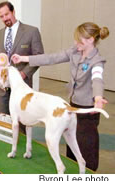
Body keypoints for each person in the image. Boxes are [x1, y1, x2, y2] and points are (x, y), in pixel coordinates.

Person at [11, 22, 109, 171]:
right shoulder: (75, 51)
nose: (75, 43)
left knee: (86, 150)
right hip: (72, 105)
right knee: (71, 149)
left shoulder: (97, 61)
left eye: (79, 40)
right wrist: (24, 59)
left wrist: (97, 98)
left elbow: (97, 80)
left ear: (90, 40)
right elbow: (51, 58)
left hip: (88, 111)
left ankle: (88, 175)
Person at [0, 1, 44, 118]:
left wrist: (24, 73)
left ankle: (22, 136)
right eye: (1, 16)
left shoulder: (31, 32)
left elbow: (38, 57)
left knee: (22, 120)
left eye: (7, 14)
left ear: (13, 11)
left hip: (22, 86)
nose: (5, 18)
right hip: (1, 87)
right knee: (2, 121)